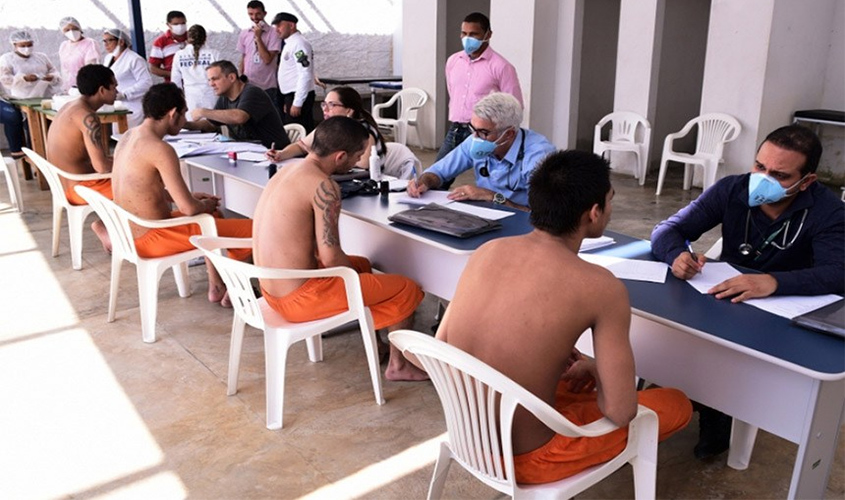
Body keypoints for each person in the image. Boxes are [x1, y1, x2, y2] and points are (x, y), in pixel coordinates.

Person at [413, 150, 692, 484]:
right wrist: (601, 371)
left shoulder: (487, 251)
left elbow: (443, 345)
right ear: (594, 213)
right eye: (610, 201)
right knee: (675, 403)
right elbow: (620, 412)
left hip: (468, 436)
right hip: (531, 458)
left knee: (574, 377)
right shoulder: (602, 287)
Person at [651, 124, 844, 459]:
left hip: (785, 314)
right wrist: (676, 255)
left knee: (733, 361)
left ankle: (718, 413)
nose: (763, 179)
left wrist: (775, 282)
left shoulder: (829, 213)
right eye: (760, 166)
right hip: (726, 300)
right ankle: (693, 398)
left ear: (807, 181)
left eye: (780, 175)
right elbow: (668, 229)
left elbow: (838, 274)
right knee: (673, 338)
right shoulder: (733, 189)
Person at [252, 116, 428, 381]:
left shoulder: (286, 171)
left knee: (362, 264)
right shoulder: (324, 186)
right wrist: (358, 284)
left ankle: (377, 344)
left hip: (270, 289)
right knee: (406, 288)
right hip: (298, 300)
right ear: (340, 156)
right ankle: (399, 365)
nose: (358, 162)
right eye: (358, 156)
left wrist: (360, 276)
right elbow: (331, 256)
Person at [112, 83, 252, 307]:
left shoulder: (129, 137)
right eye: (184, 113)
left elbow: (141, 187)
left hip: (129, 232)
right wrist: (202, 203)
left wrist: (190, 198)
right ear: (172, 114)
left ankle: (217, 286)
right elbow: (189, 209)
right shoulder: (159, 148)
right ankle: (238, 288)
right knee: (254, 231)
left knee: (213, 216)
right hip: (153, 237)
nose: (185, 118)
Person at [407, 92, 553, 211]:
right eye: (473, 129)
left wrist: (491, 196)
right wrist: (423, 182)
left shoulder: (538, 157)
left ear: (509, 134)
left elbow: (546, 216)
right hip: (486, 216)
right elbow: (439, 171)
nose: (475, 137)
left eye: (483, 132)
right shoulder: (475, 140)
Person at [266, 86, 419, 178]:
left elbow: (363, 164)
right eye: (324, 104)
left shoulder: (363, 131)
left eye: (332, 105)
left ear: (349, 111)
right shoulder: (329, 126)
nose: (325, 109)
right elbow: (301, 145)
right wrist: (281, 154)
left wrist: (324, 159)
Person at [46, 64, 118, 249]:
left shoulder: (71, 106)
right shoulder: (87, 116)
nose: (117, 91)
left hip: (65, 184)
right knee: (141, 180)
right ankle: (109, 228)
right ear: (102, 90)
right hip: (77, 189)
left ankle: (108, 226)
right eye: (114, 87)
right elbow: (101, 167)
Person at [437, 12, 523, 163]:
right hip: (456, 129)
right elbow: (453, 92)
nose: (467, 38)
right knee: (438, 173)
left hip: (486, 134)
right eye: (464, 33)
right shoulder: (453, 61)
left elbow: (515, 105)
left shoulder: (501, 66)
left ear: (488, 34)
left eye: (473, 34)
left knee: (488, 177)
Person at [185, 60, 289, 149]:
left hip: (274, 154)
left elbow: (239, 117)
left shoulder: (253, 92)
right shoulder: (224, 98)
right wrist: (185, 124)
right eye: (209, 80)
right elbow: (211, 124)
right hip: (249, 153)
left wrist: (203, 112)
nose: (211, 84)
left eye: (215, 79)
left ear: (231, 77)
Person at [0, 31, 61, 160]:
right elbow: (5, 79)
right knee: (26, 122)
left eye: (29, 44)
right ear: (14, 45)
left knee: (46, 123)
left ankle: (46, 153)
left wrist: (52, 77)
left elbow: (54, 71)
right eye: (22, 45)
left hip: (42, 96)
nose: (27, 48)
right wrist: (23, 78)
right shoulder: (7, 59)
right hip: (20, 97)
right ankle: (27, 153)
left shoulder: (41, 57)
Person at [271, 12, 315, 132]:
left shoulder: (299, 43)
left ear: (291, 25)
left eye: (279, 26)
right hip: (290, 95)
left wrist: (297, 102)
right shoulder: (290, 43)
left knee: (298, 132)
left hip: (298, 95)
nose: (277, 30)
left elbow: (305, 73)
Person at [237, 1, 282, 117]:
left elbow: (267, 59)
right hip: (249, 85)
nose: (254, 17)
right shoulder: (244, 33)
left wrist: (258, 37)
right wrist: (240, 78)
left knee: (270, 119)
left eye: (257, 14)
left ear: (264, 13)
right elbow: (243, 57)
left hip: (267, 86)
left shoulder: (273, 33)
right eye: (251, 14)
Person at [102, 29, 152, 128]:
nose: (106, 44)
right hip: (117, 106)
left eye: (109, 40)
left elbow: (146, 82)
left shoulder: (134, 59)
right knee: (118, 138)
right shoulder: (108, 58)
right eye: (104, 41)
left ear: (121, 41)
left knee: (131, 138)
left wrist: (125, 94)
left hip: (134, 106)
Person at [170, 25, 219, 115]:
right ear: (205, 38)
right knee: (212, 125)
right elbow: (220, 77)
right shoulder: (213, 53)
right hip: (210, 95)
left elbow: (175, 82)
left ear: (188, 37)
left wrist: (179, 100)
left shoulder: (179, 55)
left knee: (191, 125)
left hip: (190, 97)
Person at [57, 17, 100, 92]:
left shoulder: (90, 43)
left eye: (74, 28)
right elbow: (64, 69)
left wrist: (85, 86)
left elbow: (91, 69)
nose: (71, 32)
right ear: (63, 32)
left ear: (79, 28)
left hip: (85, 87)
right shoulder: (64, 46)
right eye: (67, 30)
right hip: (69, 88)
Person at [148, 10, 189, 82]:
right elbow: (153, 68)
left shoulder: (193, 37)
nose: (180, 27)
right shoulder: (160, 42)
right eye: (176, 24)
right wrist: (174, 74)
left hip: (196, 85)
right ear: (168, 25)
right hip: (173, 86)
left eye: (183, 23)